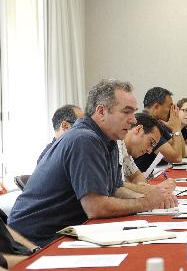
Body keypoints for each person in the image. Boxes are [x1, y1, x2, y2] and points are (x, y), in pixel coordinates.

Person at [8, 79, 177, 247]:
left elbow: (115, 189)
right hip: (31, 242)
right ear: (101, 111)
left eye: (134, 113)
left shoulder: (109, 140)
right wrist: (146, 203)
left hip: (63, 232)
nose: (133, 120)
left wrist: (153, 198)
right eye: (126, 112)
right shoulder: (85, 140)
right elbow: (96, 208)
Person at [134, 87, 185, 173]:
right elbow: (176, 158)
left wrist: (178, 129)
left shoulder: (158, 123)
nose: (172, 111)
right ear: (157, 106)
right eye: (170, 107)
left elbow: (182, 153)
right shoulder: (148, 125)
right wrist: (176, 129)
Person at [118, 112, 166, 194]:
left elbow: (137, 177)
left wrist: (140, 186)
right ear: (139, 130)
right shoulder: (115, 145)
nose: (149, 151)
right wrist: (154, 190)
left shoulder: (126, 150)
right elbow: (116, 188)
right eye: (151, 143)